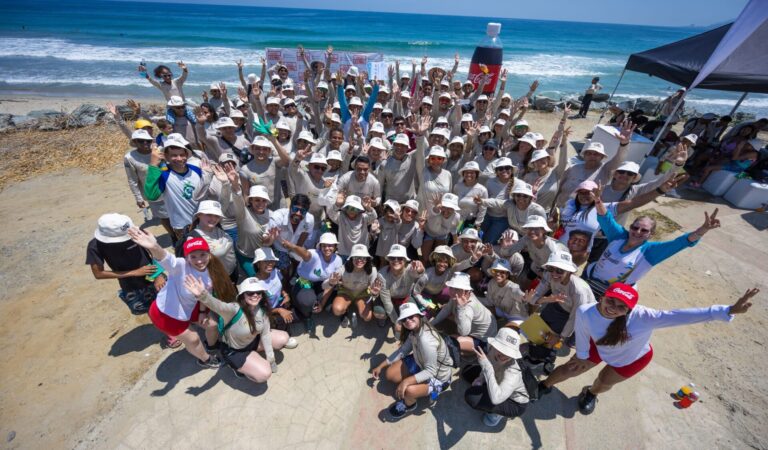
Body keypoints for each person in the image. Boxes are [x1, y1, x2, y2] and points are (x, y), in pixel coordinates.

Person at [538, 283, 759, 415]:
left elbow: (681, 316)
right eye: (611, 301)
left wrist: (727, 310)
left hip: (633, 357)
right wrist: (583, 356)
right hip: (601, 346)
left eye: (622, 306)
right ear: (603, 296)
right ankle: (544, 385)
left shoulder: (644, 317)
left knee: (604, 381)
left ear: (630, 309)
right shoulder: (586, 311)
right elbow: (583, 334)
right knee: (570, 368)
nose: (614, 308)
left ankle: (591, 393)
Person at [127, 228, 237, 368]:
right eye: (193, 256)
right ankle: (206, 359)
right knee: (193, 339)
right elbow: (165, 257)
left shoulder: (211, 272)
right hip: (166, 313)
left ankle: (212, 346)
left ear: (209, 254)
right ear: (186, 258)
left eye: (203, 255)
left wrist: (203, 312)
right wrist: (154, 247)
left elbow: (204, 295)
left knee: (212, 325)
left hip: (189, 306)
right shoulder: (180, 266)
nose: (199, 261)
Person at [584, 190, 721, 297]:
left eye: (644, 230)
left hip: (609, 294)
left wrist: (702, 230)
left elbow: (680, 243)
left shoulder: (651, 252)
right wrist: (598, 201)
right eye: (635, 227)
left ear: (651, 234)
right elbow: (605, 218)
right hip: (589, 278)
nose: (637, 232)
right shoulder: (619, 235)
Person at [185, 276, 289, 381]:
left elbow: (265, 335)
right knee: (264, 374)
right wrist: (202, 296)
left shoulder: (262, 311)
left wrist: (271, 359)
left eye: (258, 292)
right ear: (243, 295)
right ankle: (237, 366)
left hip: (252, 341)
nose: (255, 295)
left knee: (283, 338)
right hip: (235, 351)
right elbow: (218, 306)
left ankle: (252, 359)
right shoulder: (233, 309)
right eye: (250, 293)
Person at [371, 303, 454, 420]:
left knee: (409, 391)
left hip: (438, 377)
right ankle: (418, 384)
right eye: (404, 319)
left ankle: (409, 404)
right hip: (422, 361)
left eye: (411, 316)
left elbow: (431, 371)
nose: (408, 320)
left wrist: (406, 382)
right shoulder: (415, 330)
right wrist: (381, 366)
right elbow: (403, 350)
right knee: (390, 374)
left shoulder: (426, 340)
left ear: (419, 315)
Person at [86, 213, 163, 316]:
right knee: (151, 311)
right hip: (131, 285)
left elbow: (155, 251)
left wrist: (158, 275)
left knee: (169, 302)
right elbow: (99, 274)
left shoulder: (137, 232)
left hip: (154, 276)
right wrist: (134, 272)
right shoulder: (95, 246)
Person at [463, 327, 530, 427]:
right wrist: (481, 378)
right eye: (501, 349)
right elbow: (489, 362)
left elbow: (496, 399)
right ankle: (487, 388)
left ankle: (496, 414)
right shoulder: (492, 349)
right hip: (497, 377)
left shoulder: (513, 373)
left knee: (471, 397)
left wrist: (486, 367)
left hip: (514, 402)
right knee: (467, 372)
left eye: (508, 353)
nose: (503, 355)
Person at [143, 135, 204, 241]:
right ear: (165, 156)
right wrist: (153, 165)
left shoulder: (197, 170)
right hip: (183, 226)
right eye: (174, 155)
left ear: (186, 154)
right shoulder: (163, 175)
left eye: (182, 154)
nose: (179, 159)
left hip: (204, 220)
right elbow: (151, 195)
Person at [282, 233, 344, 337]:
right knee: (308, 302)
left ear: (335, 247)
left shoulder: (337, 260)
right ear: (320, 246)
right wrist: (293, 246)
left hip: (322, 283)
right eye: (324, 245)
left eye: (330, 245)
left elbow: (331, 284)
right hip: (304, 281)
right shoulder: (314, 254)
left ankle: (315, 304)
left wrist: (322, 304)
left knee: (329, 307)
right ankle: (306, 316)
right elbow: (305, 254)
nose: (327, 248)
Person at [123, 129, 174, 237]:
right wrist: (138, 198)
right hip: (153, 191)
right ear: (135, 142)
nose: (145, 143)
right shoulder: (130, 158)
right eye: (141, 141)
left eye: (148, 141)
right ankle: (173, 236)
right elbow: (132, 179)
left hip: (170, 188)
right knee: (165, 217)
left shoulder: (159, 151)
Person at [431, 272, 498, 352]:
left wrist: (461, 308)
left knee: (449, 341)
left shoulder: (469, 306)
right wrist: (432, 324)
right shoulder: (458, 296)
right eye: (451, 287)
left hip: (484, 340)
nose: (452, 291)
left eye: (457, 289)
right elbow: (447, 309)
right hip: (474, 329)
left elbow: (463, 332)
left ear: (466, 291)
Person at [328, 244, 381, 327]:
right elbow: (327, 284)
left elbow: (374, 290)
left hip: (362, 293)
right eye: (356, 257)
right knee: (337, 310)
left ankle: (357, 304)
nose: (359, 260)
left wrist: (374, 293)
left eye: (363, 257)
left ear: (367, 259)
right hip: (346, 292)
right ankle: (345, 311)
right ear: (351, 258)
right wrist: (331, 282)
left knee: (367, 317)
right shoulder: (343, 268)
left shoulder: (372, 270)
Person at [375, 245, 425, 327]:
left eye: (400, 258)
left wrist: (421, 271)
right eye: (392, 258)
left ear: (405, 260)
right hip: (389, 298)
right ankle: (384, 318)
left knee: (414, 317)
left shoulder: (410, 269)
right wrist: (396, 322)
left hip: (404, 298)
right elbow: (387, 301)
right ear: (389, 260)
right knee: (379, 311)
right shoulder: (381, 274)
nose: (396, 260)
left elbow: (417, 274)